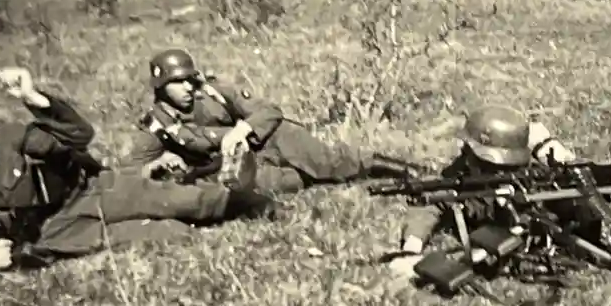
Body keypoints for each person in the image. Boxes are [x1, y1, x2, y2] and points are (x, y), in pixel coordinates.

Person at [0, 67, 277, 274]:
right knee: (165, 234)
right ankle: (193, 229)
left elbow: (79, 135)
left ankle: (254, 201)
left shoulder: (4, 139)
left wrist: (33, 98)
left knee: (189, 201)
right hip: (54, 232)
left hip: (90, 190)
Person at [123, 48, 410, 193]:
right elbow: (129, 174)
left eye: (189, 79)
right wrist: (158, 164)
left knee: (328, 162)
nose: (187, 87)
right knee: (282, 183)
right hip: (234, 168)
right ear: (160, 87)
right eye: (178, 82)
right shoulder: (156, 126)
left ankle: (401, 169)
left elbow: (269, 111)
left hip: (268, 139)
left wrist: (243, 128)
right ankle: (312, 177)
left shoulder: (212, 91)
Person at [385, 104, 598, 286]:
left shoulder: (539, 184)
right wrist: (411, 249)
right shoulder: (463, 175)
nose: (465, 154)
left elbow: (583, 208)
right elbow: (432, 203)